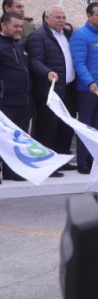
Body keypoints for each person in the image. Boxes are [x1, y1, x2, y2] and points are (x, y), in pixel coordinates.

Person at [26, 5, 75, 174]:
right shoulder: (37, 37)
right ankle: (45, 164)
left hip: (68, 89)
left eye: (64, 17)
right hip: (48, 90)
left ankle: (61, 160)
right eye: (58, 17)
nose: (62, 21)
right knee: (47, 127)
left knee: (65, 127)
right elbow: (34, 61)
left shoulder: (67, 35)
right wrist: (47, 72)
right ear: (47, 18)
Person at [70, 2, 98, 174]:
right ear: (89, 16)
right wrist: (89, 82)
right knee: (86, 126)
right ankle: (83, 161)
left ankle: (95, 159)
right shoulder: (80, 35)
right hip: (88, 89)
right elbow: (79, 63)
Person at [0, 13, 32, 181]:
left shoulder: (19, 44)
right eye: (15, 26)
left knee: (17, 140)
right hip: (5, 102)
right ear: (3, 26)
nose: (19, 29)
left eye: (21, 26)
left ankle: (12, 171)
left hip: (23, 101)